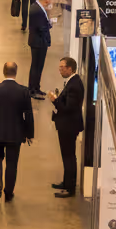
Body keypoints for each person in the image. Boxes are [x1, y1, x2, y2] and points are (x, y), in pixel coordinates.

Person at [0, 62, 34, 204]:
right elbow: (28, 114)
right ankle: (9, 193)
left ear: (3, 71)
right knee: (12, 164)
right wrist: (29, 133)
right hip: (15, 134)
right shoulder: (23, 91)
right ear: (16, 72)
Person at [48, 57, 84, 198]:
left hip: (69, 126)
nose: (60, 69)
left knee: (69, 156)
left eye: (62, 67)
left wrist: (55, 100)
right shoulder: (72, 82)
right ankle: (66, 182)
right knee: (66, 155)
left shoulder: (75, 85)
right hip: (67, 125)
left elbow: (68, 108)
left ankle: (70, 188)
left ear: (70, 68)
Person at [27, 0, 54, 100]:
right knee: (36, 67)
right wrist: (49, 25)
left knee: (39, 67)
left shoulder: (38, 7)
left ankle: (36, 87)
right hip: (38, 42)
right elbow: (40, 27)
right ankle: (32, 90)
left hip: (39, 42)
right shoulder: (37, 9)